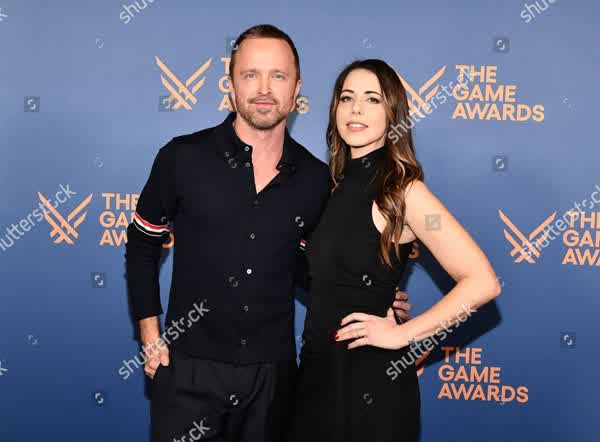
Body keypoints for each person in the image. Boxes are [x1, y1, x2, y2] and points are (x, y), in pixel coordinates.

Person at [124, 25, 412, 442]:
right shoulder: (181, 158)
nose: (264, 88)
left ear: (296, 90)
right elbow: (141, 245)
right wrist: (150, 337)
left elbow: (313, 268)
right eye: (250, 74)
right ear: (230, 85)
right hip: (186, 373)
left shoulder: (317, 180)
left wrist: (369, 293)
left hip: (272, 383)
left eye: (278, 75)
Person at [285, 59, 502, 442]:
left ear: (393, 114)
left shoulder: (402, 191)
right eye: (347, 98)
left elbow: (482, 281)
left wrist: (405, 337)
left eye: (372, 99)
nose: (356, 109)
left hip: (371, 381)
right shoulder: (329, 187)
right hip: (316, 376)